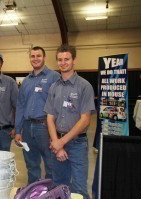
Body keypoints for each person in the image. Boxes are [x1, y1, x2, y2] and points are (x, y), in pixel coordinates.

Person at [44, 44, 95, 199]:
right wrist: (57, 144)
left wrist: (62, 142)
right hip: (57, 143)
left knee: (79, 189)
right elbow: (50, 117)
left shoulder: (84, 86)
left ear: (74, 60)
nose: (63, 62)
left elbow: (85, 119)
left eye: (67, 59)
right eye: (60, 59)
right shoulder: (53, 87)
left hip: (77, 145)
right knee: (59, 186)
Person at [14, 46, 60, 184]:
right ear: (30, 59)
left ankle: (50, 193)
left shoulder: (54, 77)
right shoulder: (26, 81)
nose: (35, 59)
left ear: (44, 58)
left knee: (51, 165)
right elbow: (20, 106)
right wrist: (18, 130)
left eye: (38, 56)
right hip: (27, 129)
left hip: (45, 128)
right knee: (31, 165)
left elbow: (58, 105)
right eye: (33, 56)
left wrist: (55, 133)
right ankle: (34, 191)